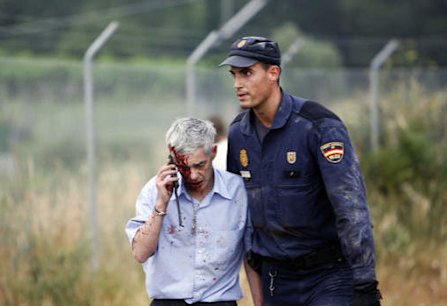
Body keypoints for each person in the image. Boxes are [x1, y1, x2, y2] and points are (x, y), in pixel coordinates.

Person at [219, 36, 382, 306]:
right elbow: (243, 218)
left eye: (247, 73)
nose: (238, 84)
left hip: (328, 274)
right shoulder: (238, 133)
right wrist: (257, 288)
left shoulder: (317, 125)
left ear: (274, 73)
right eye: (234, 75)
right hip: (277, 279)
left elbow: (350, 207)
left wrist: (365, 281)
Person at [125, 117, 250, 306]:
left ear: (214, 152)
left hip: (219, 301)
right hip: (168, 301)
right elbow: (140, 253)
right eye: (184, 167)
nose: (192, 175)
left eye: (200, 165)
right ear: (172, 159)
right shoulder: (154, 191)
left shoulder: (237, 192)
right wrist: (161, 204)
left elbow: (253, 256)